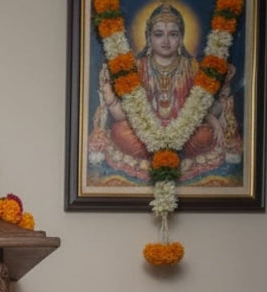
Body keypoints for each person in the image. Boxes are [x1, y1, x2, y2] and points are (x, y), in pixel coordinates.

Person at [92, 3, 240, 187]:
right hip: (142, 135)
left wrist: (213, 115)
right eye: (158, 34)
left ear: (181, 38)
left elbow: (202, 108)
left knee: (205, 135)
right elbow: (124, 114)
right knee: (119, 131)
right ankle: (162, 155)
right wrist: (111, 100)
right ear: (148, 37)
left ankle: (164, 156)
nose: (166, 41)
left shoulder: (191, 67)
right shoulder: (138, 68)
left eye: (173, 34)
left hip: (185, 135)